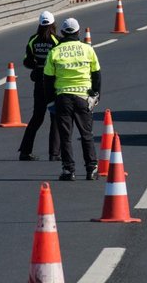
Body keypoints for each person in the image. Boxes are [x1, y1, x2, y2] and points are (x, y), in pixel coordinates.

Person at [44, 17, 102, 181]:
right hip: (83, 96)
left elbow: (47, 79)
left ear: (62, 32)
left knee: (65, 136)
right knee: (86, 134)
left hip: (63, 97)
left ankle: (69, 170)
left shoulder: (54, 52)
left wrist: (50, 101)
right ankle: (91, 169)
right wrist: (96, 94)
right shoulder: (87, 49)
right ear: (78, 32)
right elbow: (96, 74)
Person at [18, 11, 61, 161]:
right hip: (54, 84)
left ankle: (25, 151)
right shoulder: (57, 41)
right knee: (55, 117)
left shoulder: (33, 40)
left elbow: (26, 61)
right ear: (53, 24)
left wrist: (37, 67)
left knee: (37, 117)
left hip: (39, 84)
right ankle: (54, 153)